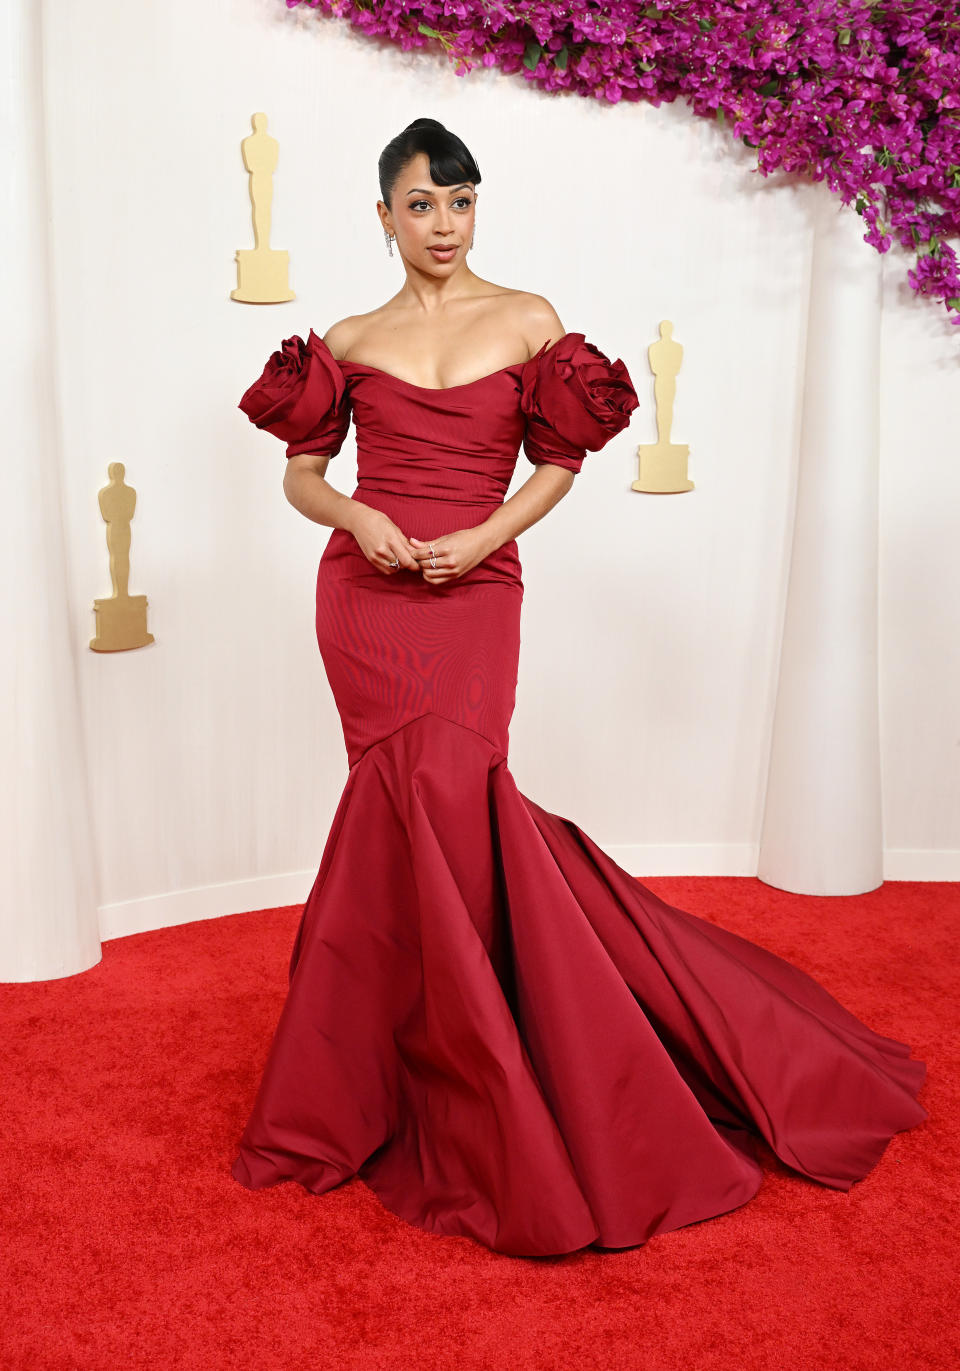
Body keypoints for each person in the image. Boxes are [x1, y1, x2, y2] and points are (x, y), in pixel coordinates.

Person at [231, 117, 927, 1258]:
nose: (444, 224)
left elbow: (557, 464)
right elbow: (307, 481)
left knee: (455, 799)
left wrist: (482, 535)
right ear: (383, 216)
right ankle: (405, 1072)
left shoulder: (531, 320)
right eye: (421, 204)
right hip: (364, 601)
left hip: (479, 588)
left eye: (460, 201)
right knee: (401, 816)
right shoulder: (349, 339)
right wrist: (363, 519)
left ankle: (498, 1058)